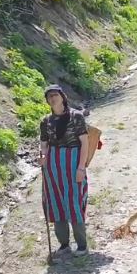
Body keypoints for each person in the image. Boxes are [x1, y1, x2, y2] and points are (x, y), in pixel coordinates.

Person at [39, 84, 93, 255]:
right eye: (49, 96)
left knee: (74, 202)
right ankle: (64, 244)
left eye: (55, 95)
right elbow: (44, 144)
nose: (53, 98)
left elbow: (84, 143)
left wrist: (81, 168)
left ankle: (82, 245)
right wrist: (42, 157)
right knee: (55, 202)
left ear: (62, 96)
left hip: (73, 161)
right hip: (53, 165)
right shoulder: (46, 121)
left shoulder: (75, 116)